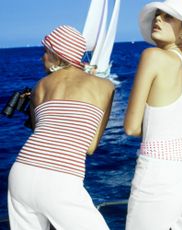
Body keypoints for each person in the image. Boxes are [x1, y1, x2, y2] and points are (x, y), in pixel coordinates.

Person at [8, 25, 114, 230]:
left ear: (57, 55)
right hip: (60, 179)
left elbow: (42, 131)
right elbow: (90, 147)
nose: (42, 58)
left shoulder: (40, 86)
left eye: (45, 52)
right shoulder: (106, 86)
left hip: (21, 173)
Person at [124, 0, 182, 229]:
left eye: (168, 17)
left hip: (159, 175)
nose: (158, 19)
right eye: (157, 15)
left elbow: (131, 127)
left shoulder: (152, 56)